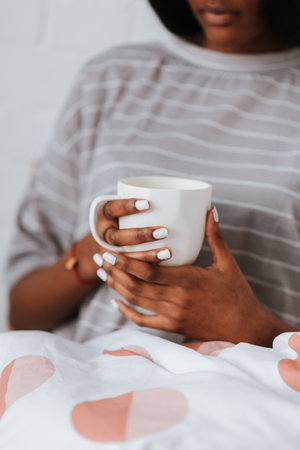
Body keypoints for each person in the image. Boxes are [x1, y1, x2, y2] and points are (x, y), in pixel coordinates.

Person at [6, 0, 300, 346]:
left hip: (252, 392)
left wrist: (254, 329)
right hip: (88, 381)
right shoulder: (111, 77)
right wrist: (90, 255)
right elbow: (22, 313)